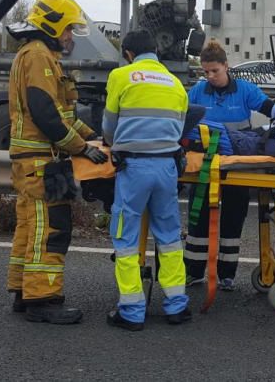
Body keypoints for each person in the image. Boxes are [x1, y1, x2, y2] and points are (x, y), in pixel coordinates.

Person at [4, 0, 107, 325]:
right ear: (53, 26)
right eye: (67, 31)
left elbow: (62, 115)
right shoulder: (38, 57)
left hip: (35, 158)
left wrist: (92, 138)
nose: (69, 38)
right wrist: (80, 148)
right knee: (49, 230)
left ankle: (25, 292)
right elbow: (45, 115)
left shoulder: (39, 56)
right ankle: (43, 299)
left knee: (30, 228)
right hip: (41, 160)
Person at [183, 40, 275, 290]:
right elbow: (181, 115)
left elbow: (269, 108)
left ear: (226, 66)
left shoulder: (244, 90)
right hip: (205, 165)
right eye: (205, 72)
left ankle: (227, 274)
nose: (210, 76)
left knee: (233, 216)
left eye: (215, 71)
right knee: (198, 218)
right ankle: (194, 271)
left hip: (237, 164)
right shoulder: (198, 92)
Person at [103, 29, 191, 331]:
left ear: (128, 53)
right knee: (169, 236)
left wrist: (114, 142)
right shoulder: (175, 83)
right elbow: (179, 129)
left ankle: (132, 310)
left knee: (125, 238)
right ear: (155, 51)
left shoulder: (121, 76)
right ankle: (177, 305)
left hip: (133, 167)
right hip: (167, 167)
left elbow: (109, 126)